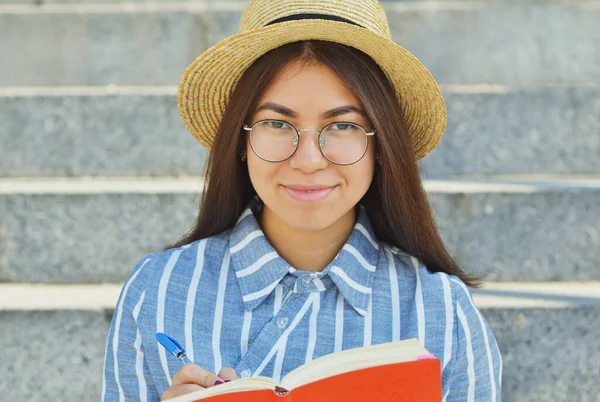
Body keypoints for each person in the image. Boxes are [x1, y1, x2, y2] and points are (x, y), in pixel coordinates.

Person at [102, 0, 502, 401]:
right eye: (277, 123)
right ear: (241, 141)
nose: (309, 160)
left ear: (381, 145)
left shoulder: (441, 310)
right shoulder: (158, 289)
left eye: (343, 125)